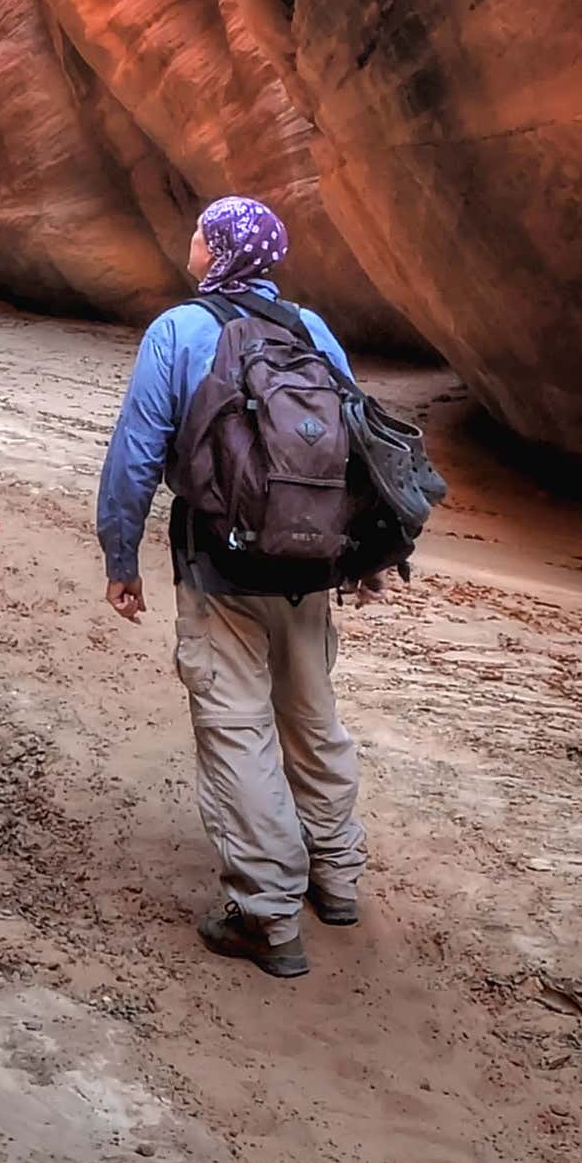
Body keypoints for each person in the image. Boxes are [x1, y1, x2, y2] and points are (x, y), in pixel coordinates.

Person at [95, 196, 364, 980]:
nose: (191, 242)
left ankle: (266, 913)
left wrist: (121, 556)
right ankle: (336, 876)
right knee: (312, 712)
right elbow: (360, 446)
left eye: (199, 232)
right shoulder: (310, 330)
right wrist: (365, 557)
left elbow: (135, 454)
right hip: (311, 560)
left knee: (237, 724)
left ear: (215, 250)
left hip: (220, 560)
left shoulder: (178, 331)